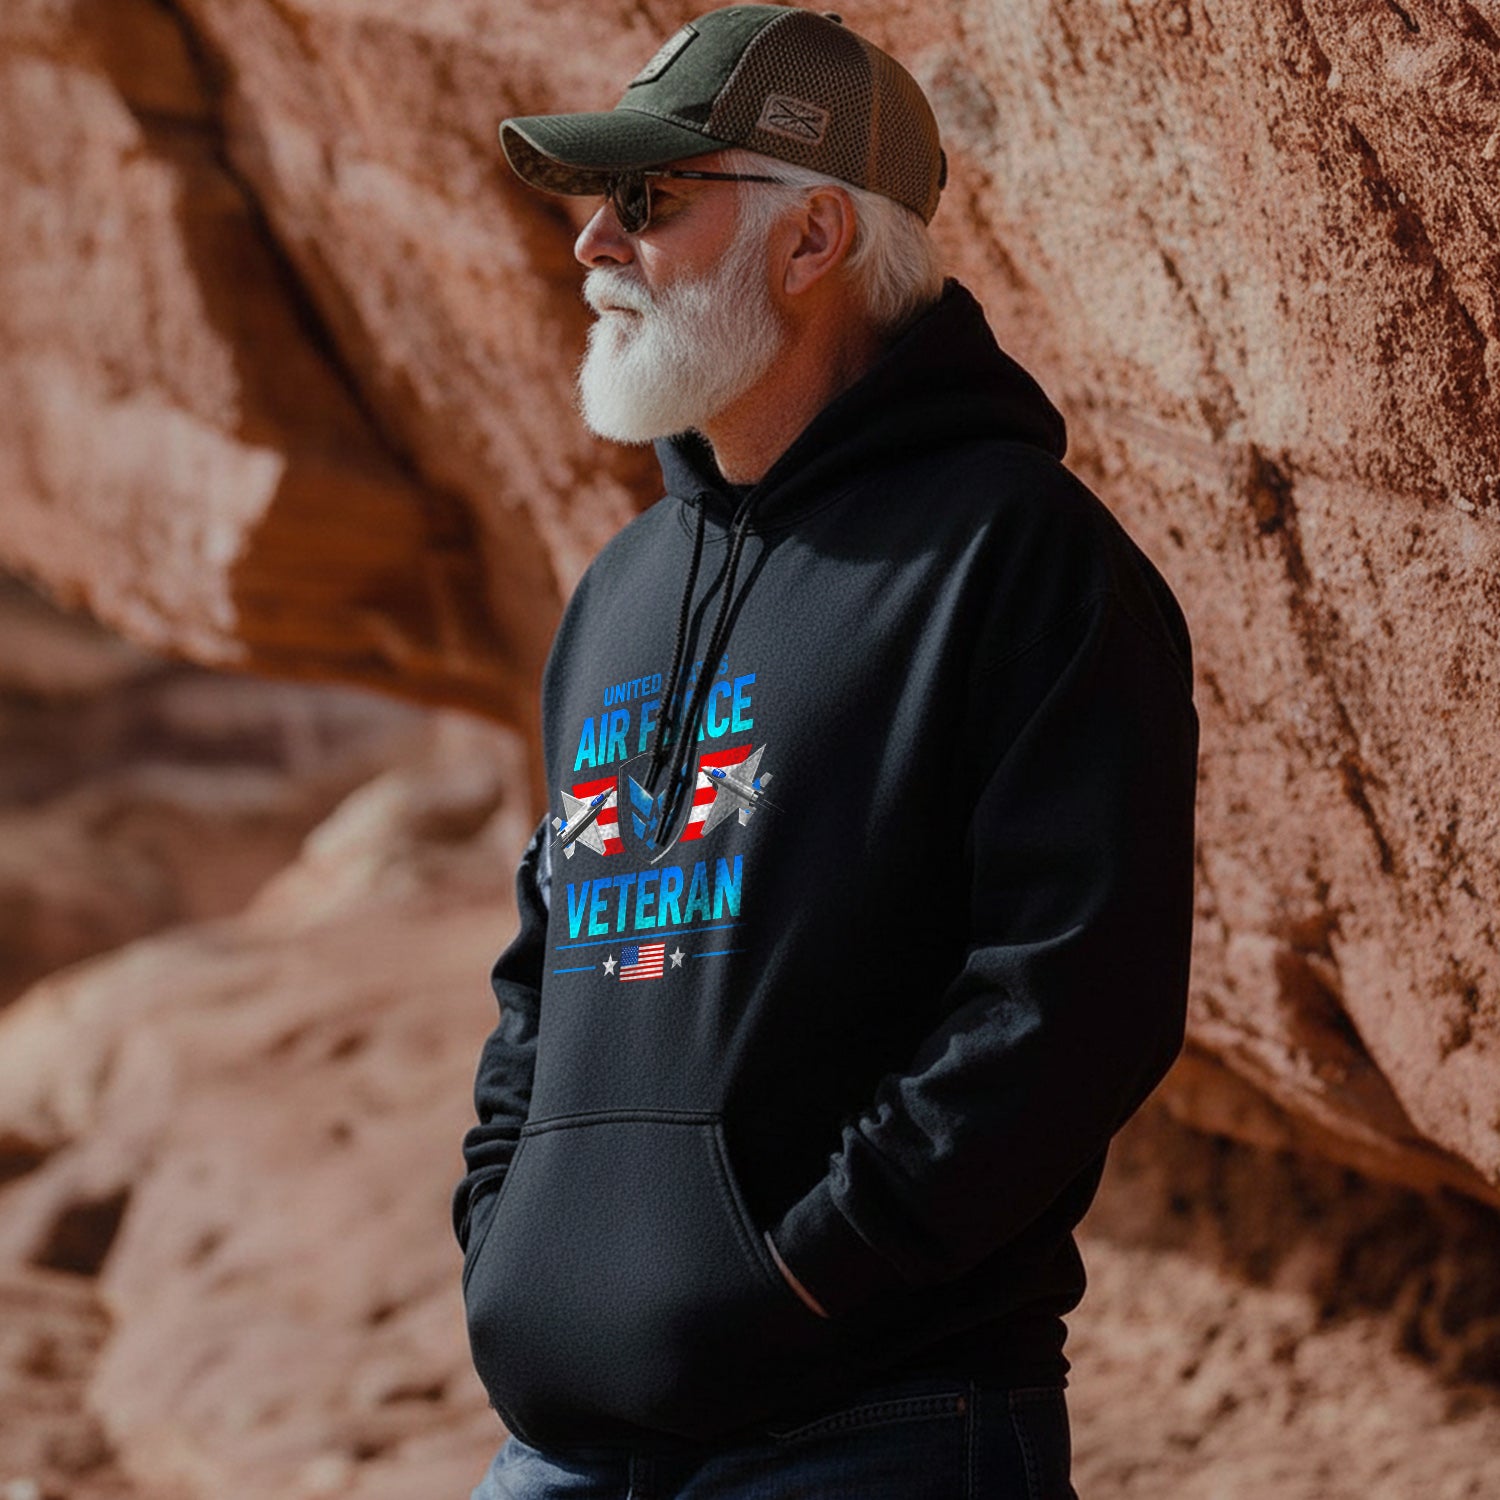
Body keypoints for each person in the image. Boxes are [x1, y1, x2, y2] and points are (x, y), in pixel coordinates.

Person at [453, 6, 1199, 1497]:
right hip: (563, 1449)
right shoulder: (620, 588)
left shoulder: (1019, 558)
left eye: (652, 198)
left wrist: (806, 1274)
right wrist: (506, 1219)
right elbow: (549, 965)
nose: (594, 240)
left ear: (810, 242)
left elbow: (1072, 997)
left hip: (869, 1434)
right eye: (602, 203)